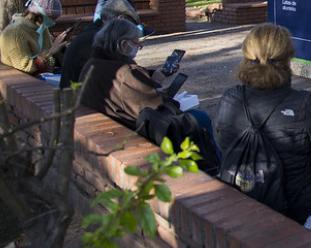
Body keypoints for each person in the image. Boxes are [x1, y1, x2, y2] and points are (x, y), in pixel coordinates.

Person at [215, 24, 311, 225]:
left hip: (244, 193)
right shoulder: (304, 104)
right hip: (298, 206)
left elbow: (224, 143)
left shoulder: (231, 99)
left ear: (247, 54)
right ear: (288, 58)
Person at [78, 19, 218, 164]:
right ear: (124, 44)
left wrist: (153, 78)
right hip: (132, 128)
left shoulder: (92, 64)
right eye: (137, 43)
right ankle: (214, 167)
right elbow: (155, 107)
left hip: (110, 121)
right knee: (200, 118)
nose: (139, 47)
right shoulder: (127, 73)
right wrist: (169, 99)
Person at [60, 0, 140, 89]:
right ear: (120, 20)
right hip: (79, 96)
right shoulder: (96, 40)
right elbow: (117, 73)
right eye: (130, 27)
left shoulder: (93, 33)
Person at [0, 0, 67, 74]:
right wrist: (51, 52)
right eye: (51, 18)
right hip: (23, 81)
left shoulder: (42, 29)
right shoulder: (15, 32)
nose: (53, 22)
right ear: (39, 14)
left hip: (44, 78)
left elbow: (50, 61)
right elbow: (26, 67)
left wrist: (58, 52)